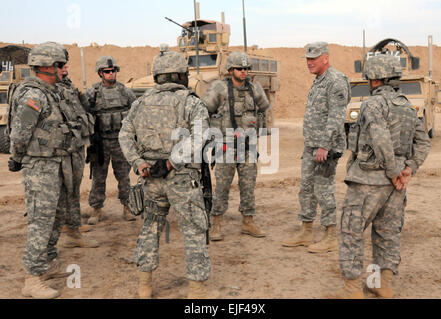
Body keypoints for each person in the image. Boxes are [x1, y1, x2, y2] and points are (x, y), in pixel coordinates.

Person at [326, 54, 431, 298]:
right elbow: (423, 142)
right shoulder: (406, 105)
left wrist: (395, 171)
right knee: (387, 233)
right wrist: (408, 169)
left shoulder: (372, 105)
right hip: (396, 187)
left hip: (368, 181)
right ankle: (382, 284)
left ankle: (352, 289)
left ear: (374, 78)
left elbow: (380, 137)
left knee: (352, 231)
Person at [119, 45, 219, 299]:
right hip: (182, 179)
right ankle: (196, 293)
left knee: (151, 227)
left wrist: (139, 163)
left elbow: (125, 135)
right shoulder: (190, 102)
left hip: (150, 179)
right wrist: (172, 163)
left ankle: (144, 287)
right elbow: (200, 137)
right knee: (194, 231)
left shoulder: (140, 103)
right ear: (181, 76)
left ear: (157, 76)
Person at [8, 42, 84, 298]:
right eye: (60, 64)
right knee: (41, 221)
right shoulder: (34, 94)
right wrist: (17, 158)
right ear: (46, 66)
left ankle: (46, 266)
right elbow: (19, 134)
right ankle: (32, 278)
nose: (63, 69)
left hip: (56, 163)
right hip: (40, 167)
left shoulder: (51, 91)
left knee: (55, 217)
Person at [282, 42, 350, 253]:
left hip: (325, 148)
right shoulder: (319, 81)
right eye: (308, 59)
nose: (309, 62)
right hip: (311, 146)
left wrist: (324, 146)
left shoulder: (336, 81)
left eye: (314, 58)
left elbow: (336, 117)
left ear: (326, 58)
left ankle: (330, 236)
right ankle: (306, 231)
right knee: (306, 189)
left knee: (323, 190)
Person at [202, 51, 270, 241]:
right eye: (240, 68)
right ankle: (216, 223)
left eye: (246, 68)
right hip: (225, 147)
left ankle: (248, 222)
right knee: (222, 187)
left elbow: (264, 109)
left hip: (248, 147)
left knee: (248, 186)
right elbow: (204, 110)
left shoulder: (255, 89)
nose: (244, 72)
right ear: (230, 70)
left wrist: (261, 130)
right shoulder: (219, 88)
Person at [84, 56, 136, 224]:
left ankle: (127, 207)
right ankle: (96, 209)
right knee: (99, 177)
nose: (111, 73)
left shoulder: (125, 92)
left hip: (120, 141)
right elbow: (83, 115)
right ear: (100, 73)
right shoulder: (93, 93)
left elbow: (135, 113)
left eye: (113, 71)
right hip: (101, 143)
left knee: (124, 176)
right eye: (107, 71)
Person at [57, 49, 99, 248]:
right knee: (63, 190)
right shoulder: (50, 88)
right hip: (62, 149)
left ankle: (73, 226)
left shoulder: (67, 84)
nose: (66, 67)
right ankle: (67, 229)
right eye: (62, 64)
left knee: (73, 187)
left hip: (76, 145)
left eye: (66, 64)